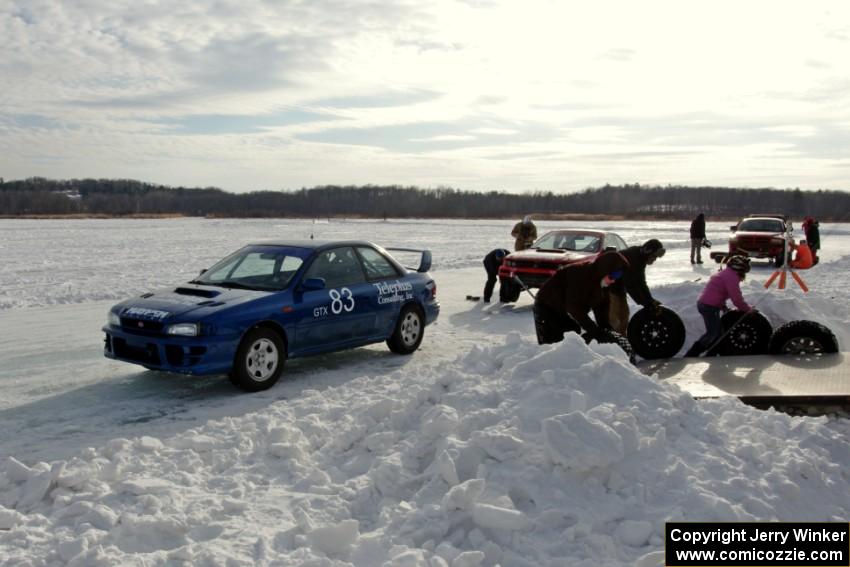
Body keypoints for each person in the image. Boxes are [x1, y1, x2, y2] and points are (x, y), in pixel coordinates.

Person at [533, 251, 629, 345]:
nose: (613, 280)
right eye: (612, 276)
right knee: (556, 343)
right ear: (604, 270)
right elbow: (574, 307)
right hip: (547, 306)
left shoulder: (603, 282)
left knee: (574, 336)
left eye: (617, 276)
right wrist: (594, 330)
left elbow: (601, 306)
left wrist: (605, 329)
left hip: (563, 309)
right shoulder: (580, 275)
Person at [683, 255, 753, 357]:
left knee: (719, 333)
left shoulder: (727, 273)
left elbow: (718, 293)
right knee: (712, 333)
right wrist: (747, 309)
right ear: (740, 268)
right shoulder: (731, 276)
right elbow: (736, 298)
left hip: (707, 305)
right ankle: (692, 354)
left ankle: (712, 355)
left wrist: (723, 307)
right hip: (709, 306)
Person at [607, 239, 666, 335]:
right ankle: (611, 341)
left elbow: (641, 282)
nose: (654, 260)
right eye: (654, 256)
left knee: (624, 315)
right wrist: (646, 303)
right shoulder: (632, 257)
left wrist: (650, 300)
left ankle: (621, 338)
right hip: (608, 287)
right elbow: (631, 285)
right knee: (615, 318)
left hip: (619, 287)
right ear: (648, 252)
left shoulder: (641, 258)